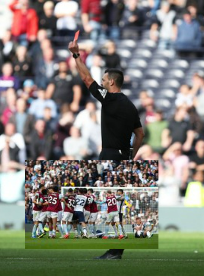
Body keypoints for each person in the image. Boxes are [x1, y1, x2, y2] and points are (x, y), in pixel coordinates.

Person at [69, 34, 144, 259]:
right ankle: (116, 249)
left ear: (111, 82)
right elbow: (139, 133)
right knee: (115, 204)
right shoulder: (131, 106)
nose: (101, 82)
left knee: (109, 204)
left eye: (104, 80)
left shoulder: (109, 99)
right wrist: (132, 154)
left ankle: (114, 250)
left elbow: (86, 78)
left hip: (109, 155)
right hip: (123, 156)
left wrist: (75, 55)